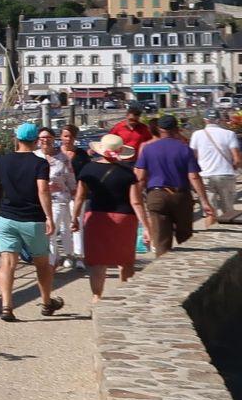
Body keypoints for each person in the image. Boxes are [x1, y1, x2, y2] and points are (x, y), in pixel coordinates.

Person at [0, 121, 58, 322]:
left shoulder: (3, 161)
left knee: (7, 263)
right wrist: (49, 217)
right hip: (33, 219)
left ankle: (7, 306)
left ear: (16, 139)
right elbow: (43, 190)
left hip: (7, 218)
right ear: (36, 141)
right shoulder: (40, 163)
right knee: (42, 263)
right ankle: (46, 302)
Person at [75, 134, 148, 298]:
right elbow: (136, 202)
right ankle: (123, 296)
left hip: (96, 218)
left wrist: (74, 218)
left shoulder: (88, 169)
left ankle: (97, 297)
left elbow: (79, 196)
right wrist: (146, 226)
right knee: (125, 261)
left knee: (98, 261)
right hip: (124, 219)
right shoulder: (128, 173)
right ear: (121, 151)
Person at [136, 116, 214, 256]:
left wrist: (137, 199)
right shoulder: (185, 149)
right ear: (177, 130)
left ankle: (162, 269)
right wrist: (204, 201)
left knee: (161, 239)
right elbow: (194, 176)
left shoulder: (148, 149)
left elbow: (141, 178)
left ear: (159, 130)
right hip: (180, 196)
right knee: (186, 238)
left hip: (156, 194)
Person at [40, 128, 81, 265]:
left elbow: (71, 180)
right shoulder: (35, 156)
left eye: (48, 137)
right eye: (42, 137)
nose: (45, 140)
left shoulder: (63, 158)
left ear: (53, 139)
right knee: (61, 230)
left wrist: (76, 200)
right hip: (38, 201)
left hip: (59, 200)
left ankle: (51, 265)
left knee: (51, 232)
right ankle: (63, 256)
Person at [188, 112, 239, 223]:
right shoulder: (229, 134)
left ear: (205, 120)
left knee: (210, 211)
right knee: (229, 210)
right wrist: (233, 167)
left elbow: (193, 158)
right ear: (219, 120)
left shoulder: (197, 135)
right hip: (226, 174)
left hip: (205, 176)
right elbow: (237, 159)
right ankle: (228, 232)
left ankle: (212, 231)